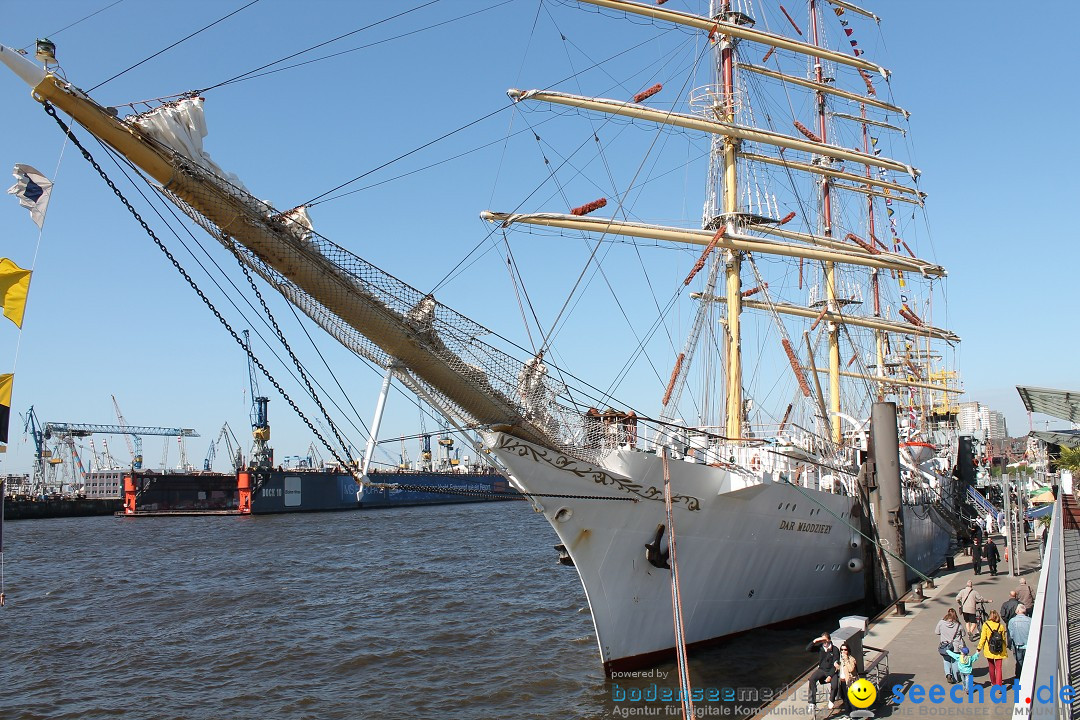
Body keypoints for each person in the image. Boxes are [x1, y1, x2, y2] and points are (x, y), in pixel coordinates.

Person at [806, 632, 841, 711]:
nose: (824, 642)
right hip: (822, 670)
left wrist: (830, 676)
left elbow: (836, 664)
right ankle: (812, 702)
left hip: (832, 670)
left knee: (835, 685)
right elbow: (808, 649)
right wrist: (815, 641)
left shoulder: (835, 649)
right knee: (812, 679)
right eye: (822, 641)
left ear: (829, 640)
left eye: (825, 640)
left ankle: (831, 700)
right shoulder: (820, 648)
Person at [977, 609, 1009, 687]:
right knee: (998, 668)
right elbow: (1003, 639)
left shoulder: (986, 625)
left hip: (989, 649)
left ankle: (993, 682)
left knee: (991, 666)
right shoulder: (1001, 626)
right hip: (999, 650)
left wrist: (979, 647)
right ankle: (999, 685)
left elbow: (983, 638)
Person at [935, 608, 964, 683]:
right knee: (955, 661)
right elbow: (963, 634)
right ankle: (955, 678)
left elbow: (936, 632)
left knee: (946, 660)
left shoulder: (941, 622)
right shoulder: (958, 624)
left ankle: (948, 674)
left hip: (945, 646)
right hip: (956, 646)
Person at [832, 643, 858, 710]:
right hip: (842, 681)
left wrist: (846, 660)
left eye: (845, 650)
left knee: (851, 699)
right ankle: (848, 714)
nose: (843, 651)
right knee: (844, 698)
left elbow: (851, 669)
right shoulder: (840, 660)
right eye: (842, 650)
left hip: (849, 681)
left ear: (848, 650)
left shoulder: (851, 659)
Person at [1008, 605, 1031, 678]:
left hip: (1017, 645)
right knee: (1027, 663)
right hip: (1028, 645)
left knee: (1019, 662)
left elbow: (1011, 635)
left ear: (1017, 611)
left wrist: (1010, 645)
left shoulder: (1012, 621)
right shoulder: (1030, 620)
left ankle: (1019, 679)